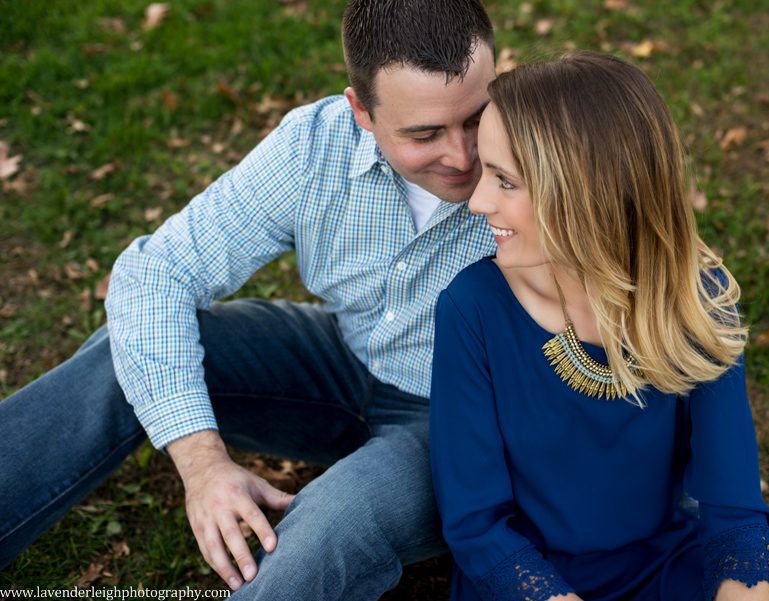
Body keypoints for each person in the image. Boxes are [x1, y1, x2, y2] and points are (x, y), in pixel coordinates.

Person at [0, 1, 497, 598]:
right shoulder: (314, 148)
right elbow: (158, 271)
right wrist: (203, 462)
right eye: (424, 134)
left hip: (458, 420)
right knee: (124, 352)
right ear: (360, 111)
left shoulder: (558, 157)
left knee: (323, 529)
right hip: (341, 358)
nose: (463, 156)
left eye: (476, 117)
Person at [430, 52, 769, 601]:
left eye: (505, 181)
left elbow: (732, 510)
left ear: (583, 194)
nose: (477, 202)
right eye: (485, 174)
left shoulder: (698, 302)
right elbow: (477, 526)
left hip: (665, 568)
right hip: (525, 581)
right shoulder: (472, 309)